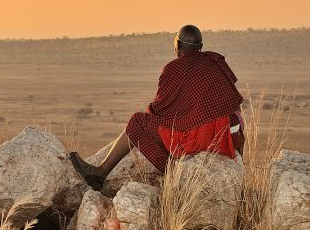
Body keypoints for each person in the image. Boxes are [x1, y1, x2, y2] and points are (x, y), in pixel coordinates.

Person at [69, 25, 244, 190]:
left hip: (201, 139)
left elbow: (160, 111)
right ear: (201, 46)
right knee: (230, 120)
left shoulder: (173, 69)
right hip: (227, 134)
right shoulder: (215, 60)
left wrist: (151, 116)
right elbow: (234, 103)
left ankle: (100, 173)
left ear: (178, 44)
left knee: (137, 122)